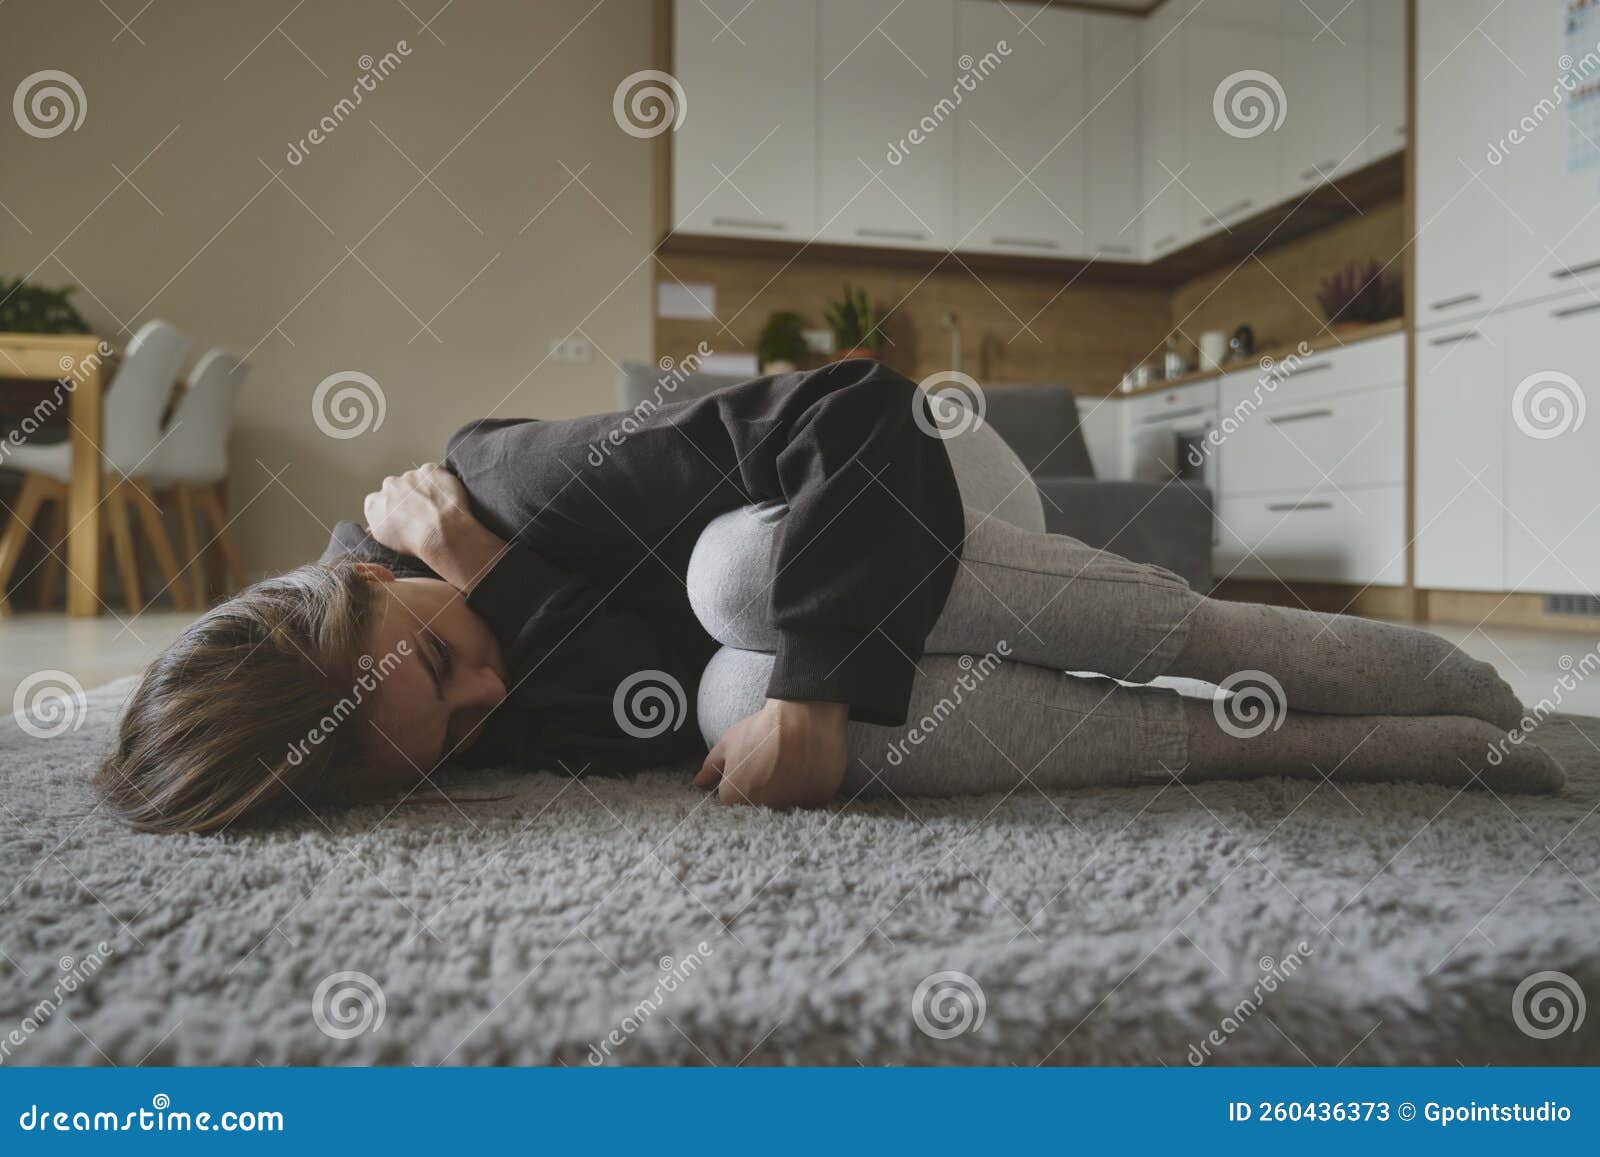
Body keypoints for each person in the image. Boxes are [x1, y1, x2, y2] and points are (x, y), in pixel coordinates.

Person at [96, 361, 1561, 834]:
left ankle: (1414, 673)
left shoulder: (508, 491)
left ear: (367, 578)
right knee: (738, 694)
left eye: (447, 659)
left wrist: (812, 693)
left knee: (742, 587)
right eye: (461, 735)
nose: (493, 698)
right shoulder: (431, 679)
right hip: (857, 611)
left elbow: (862, 413)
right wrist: (781, 702)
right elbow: (651, 708)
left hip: (927, 480)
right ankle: (1321, 745)